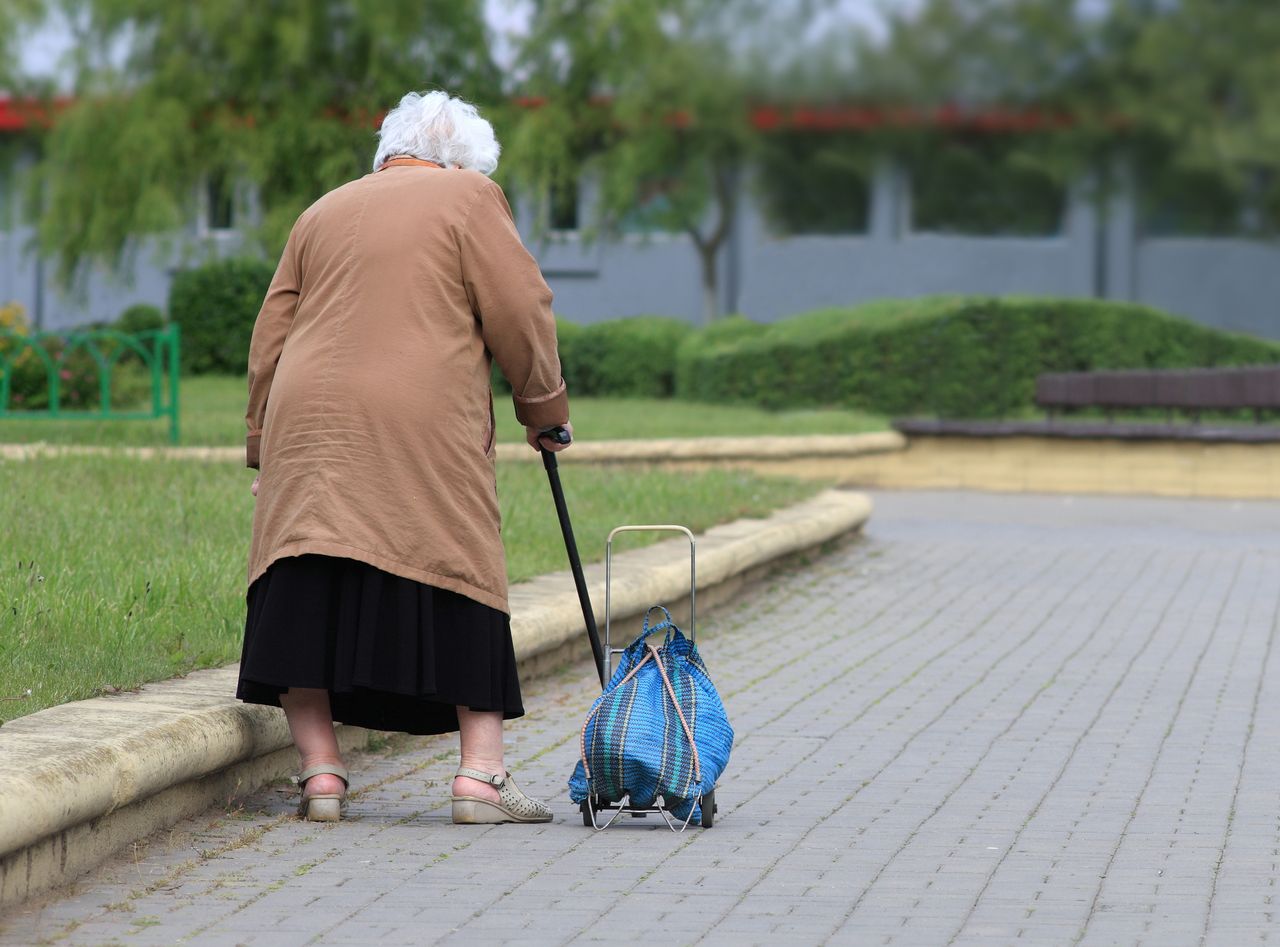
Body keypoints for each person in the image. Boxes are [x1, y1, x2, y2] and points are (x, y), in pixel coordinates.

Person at [236, 90, 571, 825]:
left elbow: (272, 331)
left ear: (390, 148)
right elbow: (520, 307)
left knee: (306, 564)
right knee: (456, 560)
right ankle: (481, 778)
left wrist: (262, 437)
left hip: (308, 413)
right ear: (462, 158)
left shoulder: (322, 209)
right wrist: (544, 409)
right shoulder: (470, 196)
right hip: (419, 410)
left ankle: (321, 775)